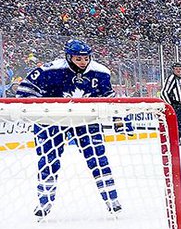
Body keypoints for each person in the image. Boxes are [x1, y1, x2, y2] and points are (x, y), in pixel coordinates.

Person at [14, 39, 122, 218]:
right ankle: (44, 202)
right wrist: (30, 110)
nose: (83, 62)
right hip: (52, 121)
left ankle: (112, 199)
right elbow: (25, 89)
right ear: (68, 56)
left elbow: (109, 97)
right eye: (78, 58)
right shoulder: (51, 69)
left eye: (86, 58)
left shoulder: (101, 72)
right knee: (49, 161)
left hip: (85, 121)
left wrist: (118, 118)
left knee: (97, 158)